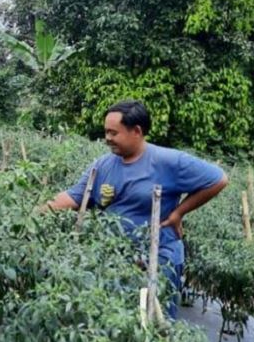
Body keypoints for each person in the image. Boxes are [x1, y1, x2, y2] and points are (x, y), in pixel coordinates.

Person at [44, 100, 228, 318]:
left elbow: (219, 179)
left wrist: (179, 212)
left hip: (158, 258)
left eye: (114, 133)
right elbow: (73, 197)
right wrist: (32, 214)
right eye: (106, 132)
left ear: (137, 131)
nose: (108, 139)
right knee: (118, 323)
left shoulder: (168, 161)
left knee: (156, 326)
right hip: (117, 260)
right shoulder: (102, 165)